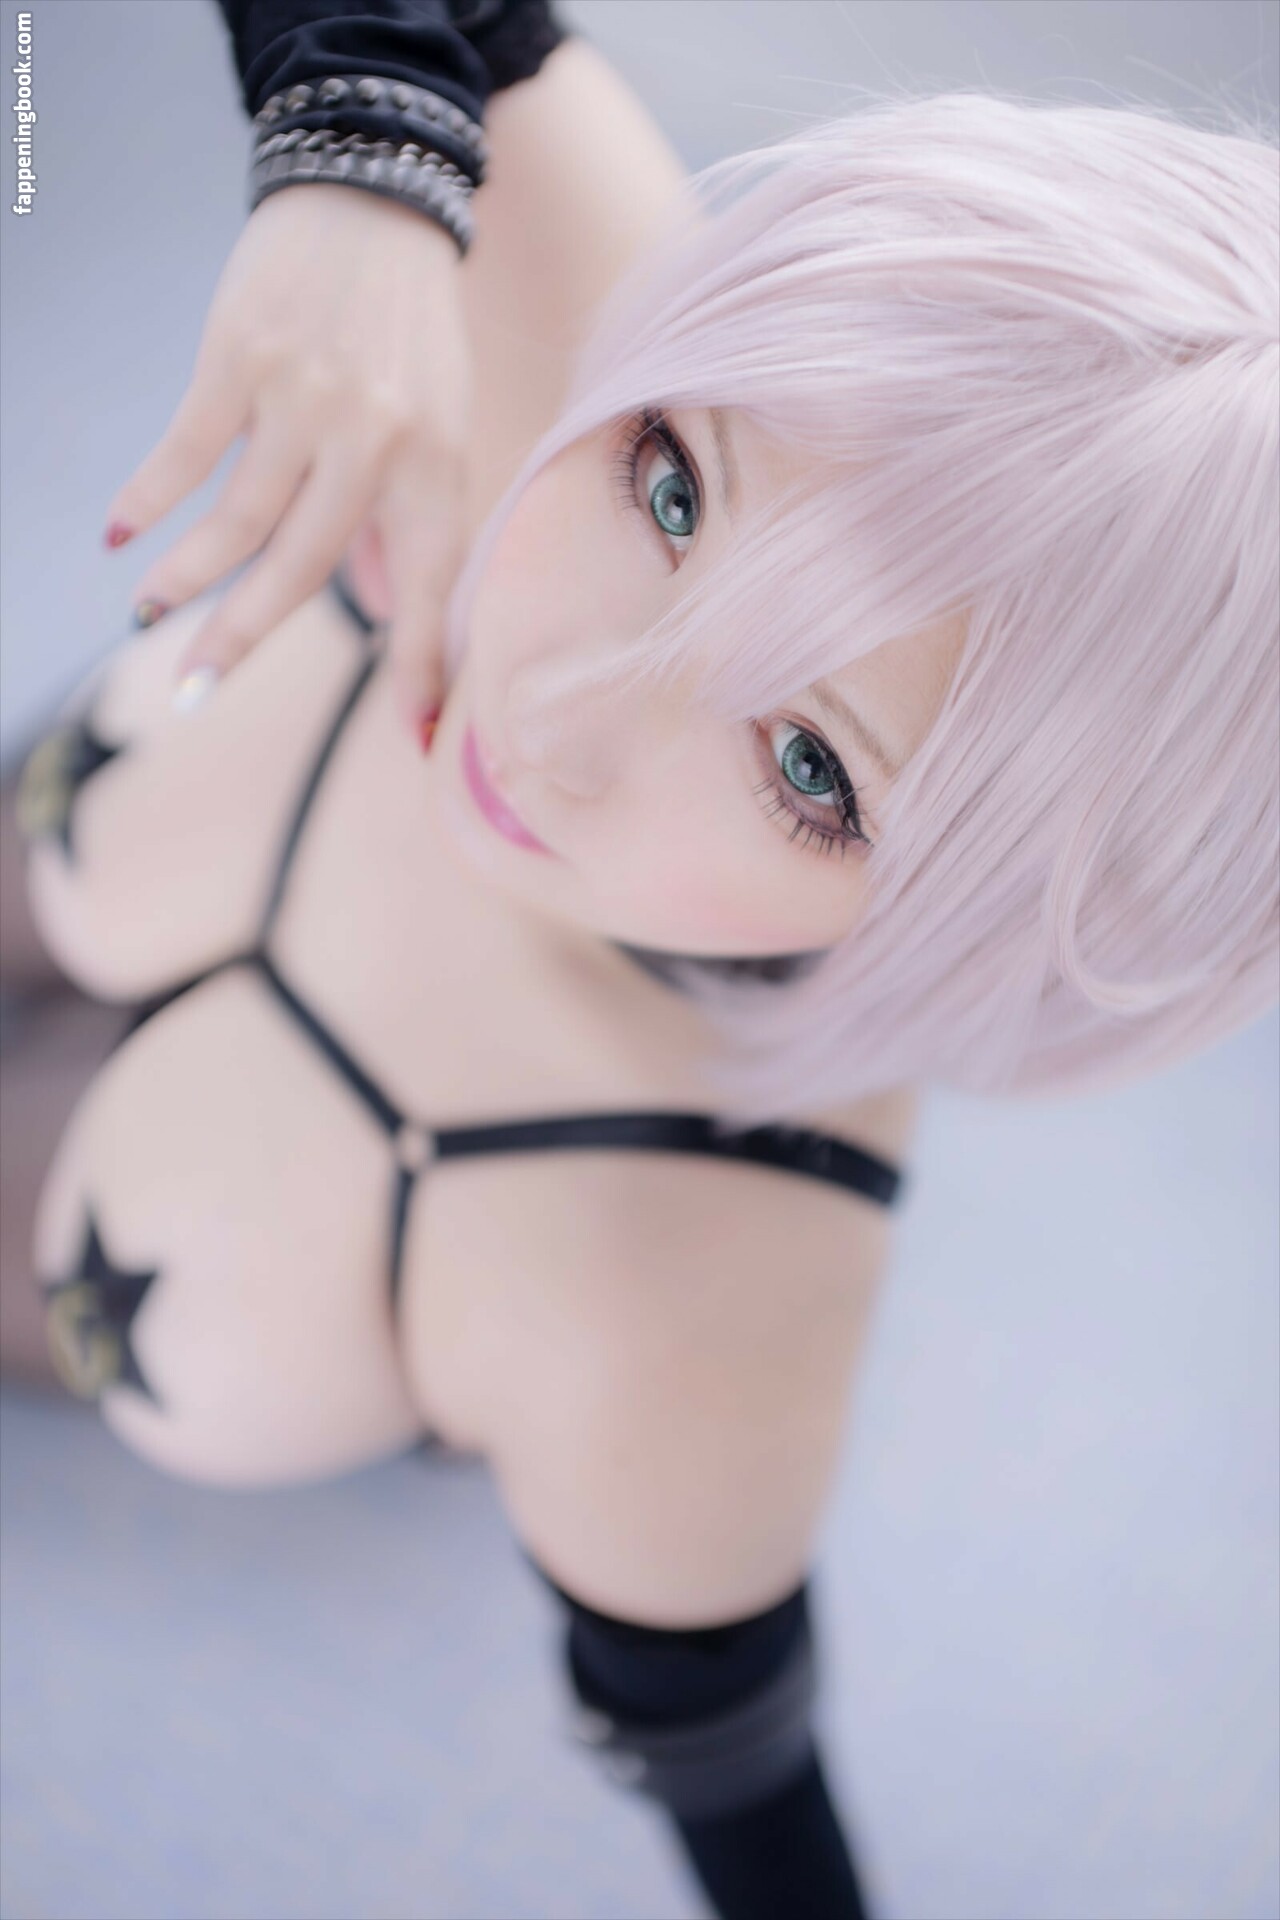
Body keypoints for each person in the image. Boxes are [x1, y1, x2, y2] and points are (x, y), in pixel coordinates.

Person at [6, 16, 1279, 1920]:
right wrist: (360, 139)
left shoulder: (693, 1321)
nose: (554, 717)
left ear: (1006, 918)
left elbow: (748, 1801)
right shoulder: (618, 291)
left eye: (812, 767)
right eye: (674, 491)